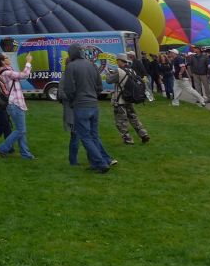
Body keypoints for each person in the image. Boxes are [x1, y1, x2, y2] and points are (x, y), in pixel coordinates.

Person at [60, 44, 116, 173]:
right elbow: (99, 87)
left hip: (81, 106)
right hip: (94, 105)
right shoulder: (92, 65)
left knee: (85, 137)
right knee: (94, 136)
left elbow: (69, 89)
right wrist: (93, 97)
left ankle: (101, 163)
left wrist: (74, 102)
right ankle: (95, 163)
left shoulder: (71, 67)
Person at [0, 52, 35, 159]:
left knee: (20, 130)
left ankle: (25, 154)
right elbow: (24, 75)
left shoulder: (6, 71)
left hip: (14, 104)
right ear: (3, 61)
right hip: (15, 104)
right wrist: (28, 62)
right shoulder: (6, 73)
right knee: (21, 130)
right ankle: (3, 148)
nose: (8, 59)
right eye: (6, 58)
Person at [105, 53, 150, 145]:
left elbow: (109, 80)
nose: (116, 62)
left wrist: (108, 73)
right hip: (129, 98)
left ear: (119, 61)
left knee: (121, 121)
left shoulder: (118, 71)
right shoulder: (131, 70)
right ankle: (143, 134)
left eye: (117, 60)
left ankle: (128, 139)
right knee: (133, 117)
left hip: (120, 99)